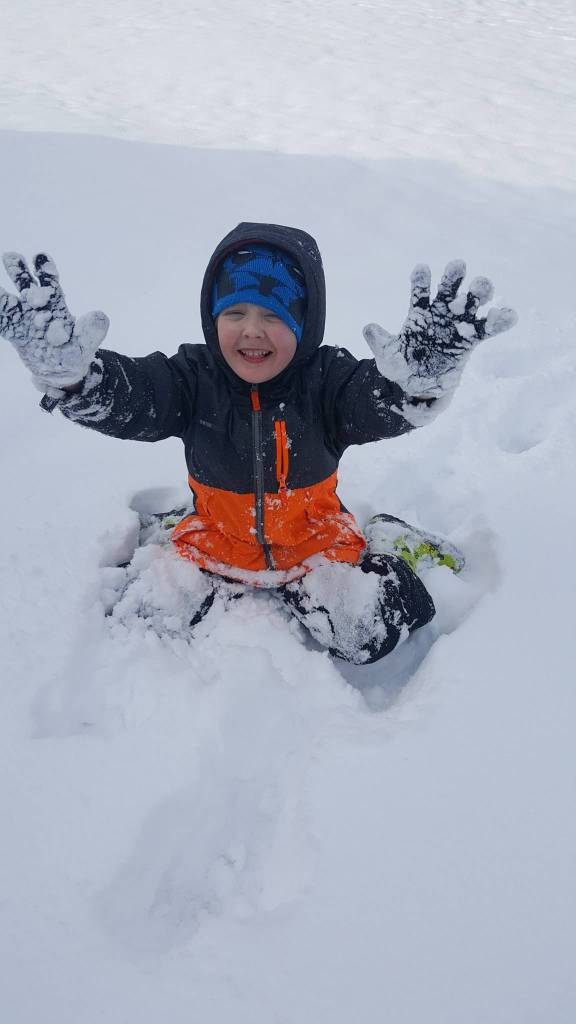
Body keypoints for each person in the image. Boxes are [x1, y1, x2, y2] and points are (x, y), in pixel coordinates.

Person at [0, 223, 517, 664]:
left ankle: (389, 542)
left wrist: (414, 387)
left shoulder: (327, 382)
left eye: (273, 316)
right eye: (235, 313)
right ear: (212, 318)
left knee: (365, 637)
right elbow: (133, 398)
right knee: (141, 623)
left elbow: (375, 402)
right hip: (215, 542)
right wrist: (76, 381)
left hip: (314, 545)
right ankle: (179, 523)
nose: (252, 331)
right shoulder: (190, 378)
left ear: (305, 324)